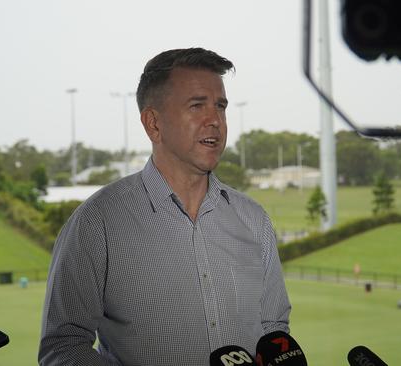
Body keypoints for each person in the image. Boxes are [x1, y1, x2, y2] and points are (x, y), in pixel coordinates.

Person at [39, 47, 291, 365]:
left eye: (221, 106)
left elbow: (274, 330)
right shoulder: (97, 223)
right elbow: (63, 349)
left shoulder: (254, 220)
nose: (215, 120)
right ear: (153, 124)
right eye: (197, 105)